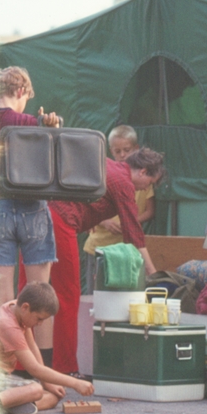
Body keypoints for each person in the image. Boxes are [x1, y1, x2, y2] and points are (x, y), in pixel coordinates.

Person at [19, 148, 166, 375]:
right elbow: (133, 235)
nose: (146, 188)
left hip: (34, 213)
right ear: (143, 171)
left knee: (26, 293)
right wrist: (153, 274)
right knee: (67, 296)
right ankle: (64, 367)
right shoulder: (124, 182)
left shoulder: (105, 163)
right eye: (150, 182)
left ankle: (19, 364)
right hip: (60, 222)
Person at [0, 66, 61, 365]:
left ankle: (3, 369)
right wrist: (51, 126)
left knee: (2, 298)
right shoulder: (30, 122)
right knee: (41, 293)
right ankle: (42, 368)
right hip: (32, 208)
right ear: (21, 92)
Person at [0, 282, 94, 414]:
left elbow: (32, 346)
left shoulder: (17, 309)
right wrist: (76, 383)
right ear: (25, 307)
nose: (40, 324)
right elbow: (34, 369)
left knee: (53, 396)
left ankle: (9, 405)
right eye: (39, 319)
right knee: (36, 389)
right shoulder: (9, 327)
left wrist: (47, 382)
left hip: (1, 379)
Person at [82, 125, 155, 292]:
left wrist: (129, 222)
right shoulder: (104, 175)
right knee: (95, 291)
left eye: (126, 150)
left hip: (124, 248)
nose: (122, 155)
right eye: (118, 151)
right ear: (110, 151)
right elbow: (88, 206)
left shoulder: (143, 183)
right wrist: (104, 221)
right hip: (98, 246)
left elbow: (148, 212)